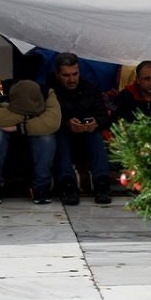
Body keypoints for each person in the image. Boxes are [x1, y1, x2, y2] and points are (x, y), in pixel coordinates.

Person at [0, 79, 60, 206]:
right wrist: (34, 117)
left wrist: (18, 126)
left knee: (47, 138)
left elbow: (53, 121)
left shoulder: (47, 92)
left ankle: (41, 188)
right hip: (7, 142)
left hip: (30, 138)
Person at [49, 52, 113, 205]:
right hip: (64, 140)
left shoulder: (91, 88)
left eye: (75, 74)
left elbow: (105, 117)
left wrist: (95, 123)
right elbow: (47, 119)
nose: (72, 79)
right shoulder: (51, 91)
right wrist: (67, 124)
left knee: (95, 135)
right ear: (58, 75)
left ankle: (102, 184)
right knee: (60, 136)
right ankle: (67, 185)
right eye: (66, 75)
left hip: (87, 140)